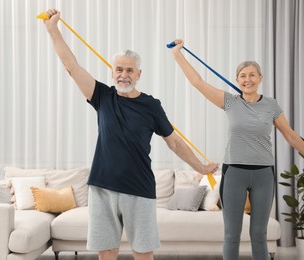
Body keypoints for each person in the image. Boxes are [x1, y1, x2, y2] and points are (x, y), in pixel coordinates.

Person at [42, 10, 219, 260]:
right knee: (107, 252)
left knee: (143, 252)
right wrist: (53, 30)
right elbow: (72, 66)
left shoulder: (151, 106)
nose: (123, 74)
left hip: (139, 187)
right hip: (103, 186)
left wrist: (200, 168)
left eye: (129, 70)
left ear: (138, 74)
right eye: (119, 69)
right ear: (112, 73)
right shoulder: (102, 96)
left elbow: (176, 143)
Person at [169, 39, 304, 260]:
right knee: (232, 233)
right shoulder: (230, 102)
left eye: (252, 75)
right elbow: (197, 82)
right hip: (234, 172)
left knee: (258, 233)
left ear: (260, 78)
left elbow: (291, 135)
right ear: (237, 80)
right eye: (243, 75)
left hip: (263, 173)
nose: (248, 79)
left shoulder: (271, 105)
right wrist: (177, 54)